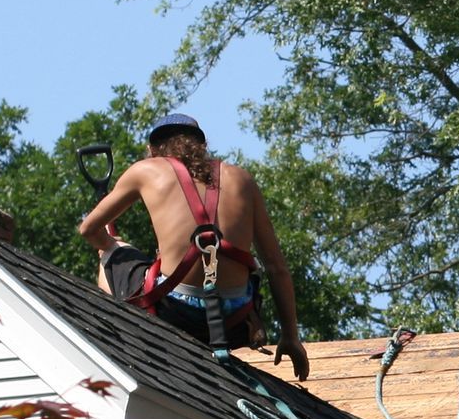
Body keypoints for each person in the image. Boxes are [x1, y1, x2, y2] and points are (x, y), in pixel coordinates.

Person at [79, 113, 309, 380]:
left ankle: (121, 345)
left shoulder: (145, 170)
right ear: (202, 146)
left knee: (111, 253)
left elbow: (89, 229)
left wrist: (111, 243)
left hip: (174, 312)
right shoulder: (242, 179)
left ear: (153, 150)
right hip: (234, 320)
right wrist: (291, 337)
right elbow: (276, 267)